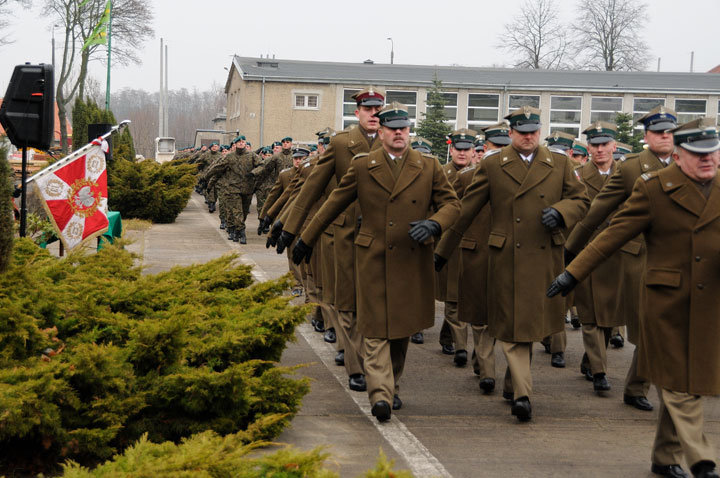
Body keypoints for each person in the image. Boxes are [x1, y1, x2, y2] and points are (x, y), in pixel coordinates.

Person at [548, 117, 720, 478]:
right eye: (698, 154)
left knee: (695, 382)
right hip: (666, 301)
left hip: (711, 304)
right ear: (679, 153)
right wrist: (571, 270)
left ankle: (664, 455)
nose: (708, 160)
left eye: (713, 153)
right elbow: (611, 232)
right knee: (676, 382)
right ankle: (702, 458)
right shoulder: (654, 188)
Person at [292, 102, 460, 422]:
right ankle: (380, 393)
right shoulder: (362, 165)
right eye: (392, 128)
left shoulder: (429, 165)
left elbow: (452, 204)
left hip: (412, 259)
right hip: (372, 257)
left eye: (404, 128)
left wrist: (435, 223)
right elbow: (332, 204)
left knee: (401, 329)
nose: (399, 133)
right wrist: (305, 238)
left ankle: (392, 385)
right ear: (380, 132)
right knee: (374, 328)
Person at [435, 106, 589, 421]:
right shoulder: (493, 166)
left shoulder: (559, 164)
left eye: (534, 131)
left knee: (528, 327)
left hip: (544, 256)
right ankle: (522, 396)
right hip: (505, 258)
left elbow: (582, 201)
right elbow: (466, 211)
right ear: (511, 134)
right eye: (522, 132)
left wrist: (562, 211)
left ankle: (513, 383)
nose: (529, 137)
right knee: (514, 329)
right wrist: (442, 251)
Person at [565, 105, 678, 412]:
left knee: (654, 329)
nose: (665, 137)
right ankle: (603, 372)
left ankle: (636, 386)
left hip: (675, 261)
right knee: (606, 317)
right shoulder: (630, 169)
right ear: (647, 137)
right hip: (633, 256)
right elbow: (594, 213)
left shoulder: (690, 164)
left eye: (669, 131)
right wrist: (570, 253)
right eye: (658, 132)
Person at [277, 86, 387, 393]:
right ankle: (356, 365)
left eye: (378, 110)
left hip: (381, 236)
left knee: (377, 304)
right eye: (368, 110)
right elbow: (312, 188)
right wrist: (289, 226)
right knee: (347, 303)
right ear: (358, 112)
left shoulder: (395, 144)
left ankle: (375, 363)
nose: (374, 115)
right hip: (345, 233)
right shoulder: (341, 144)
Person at [573, 121, 624, 393]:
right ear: (588, 148)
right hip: (587, 250)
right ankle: (600, 372)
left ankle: (590, 360)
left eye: (605, 144)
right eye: (595, 145)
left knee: (608, 317)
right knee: (591, 315)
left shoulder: (627, 174)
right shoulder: (577, 175)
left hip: (617, 254)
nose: (600, 149)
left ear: (614, 147)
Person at [436, 129, 478, 367]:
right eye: (458, 149)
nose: (462, 153)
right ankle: (461, 347)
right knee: (452, 296)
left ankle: (447, 335)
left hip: (475, 242)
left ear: (474, 152)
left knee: (466, 294)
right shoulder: (442, 173)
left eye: (466, 150)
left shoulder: (482, 173)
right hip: (451, 240)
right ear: (452, 150)